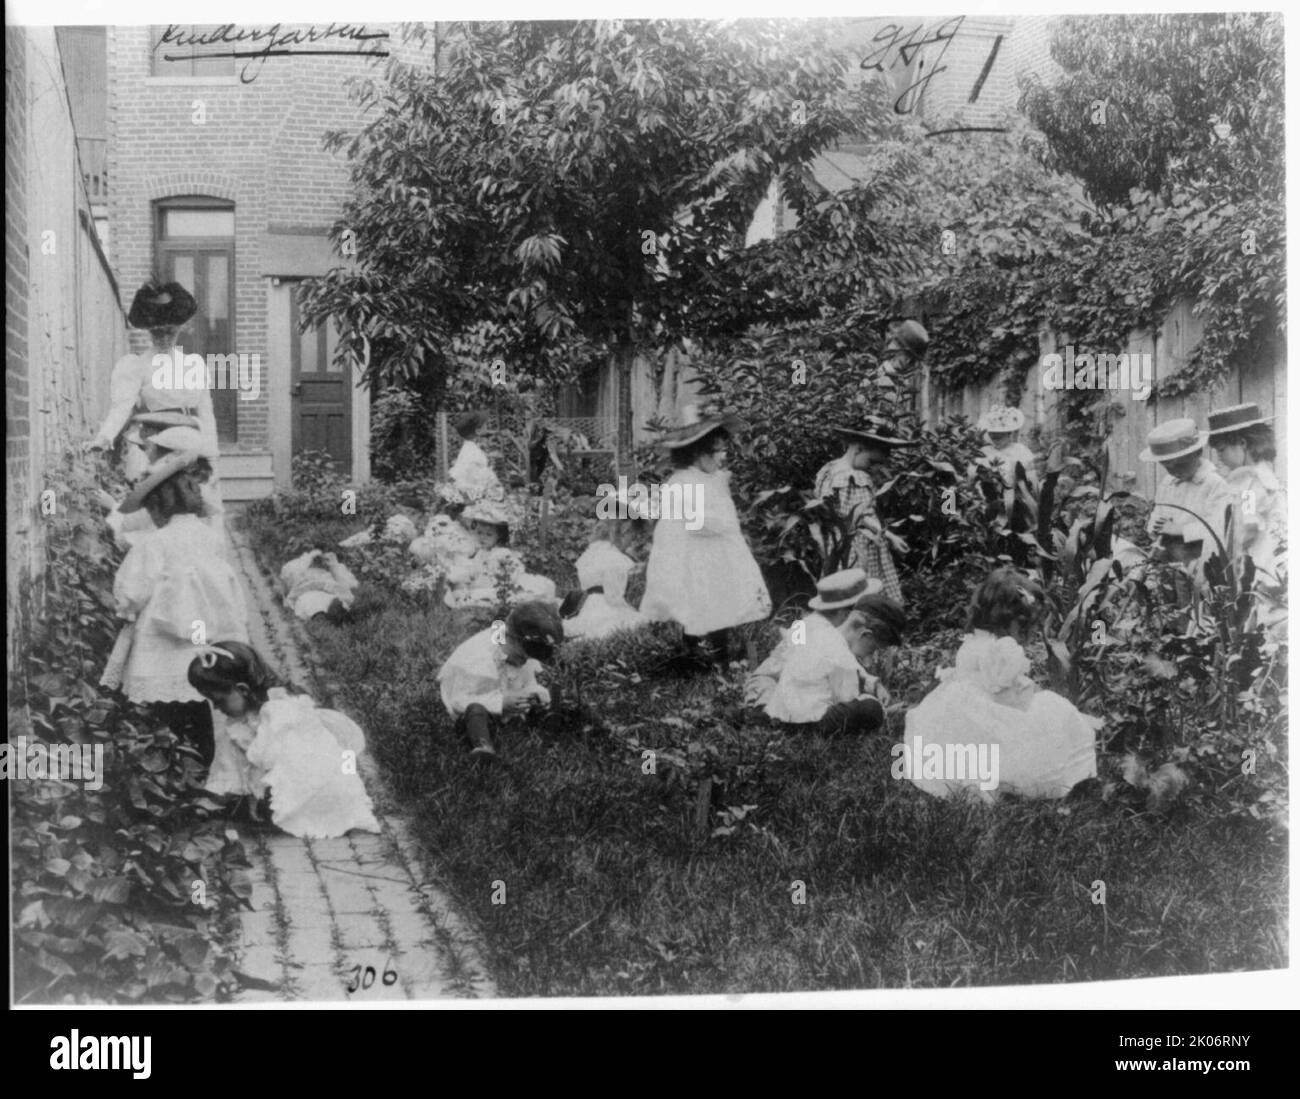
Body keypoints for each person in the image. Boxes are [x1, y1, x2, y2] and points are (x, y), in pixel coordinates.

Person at [100, 447, 248, 769]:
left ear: (158, 505)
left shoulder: (154, 544)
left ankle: (167, 763)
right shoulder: (210, 539)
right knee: (197, 699)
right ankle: (202, 761)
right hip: (201, 635)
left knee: (161, 705)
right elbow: (225, 585)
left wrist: (126, 609)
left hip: (161, 637)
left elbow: (133, 591)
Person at [901, 569, 1099, 802]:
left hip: (959, 712)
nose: (1033, 632)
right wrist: (1035, 698)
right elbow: (1009, 698)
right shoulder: (1004, 649)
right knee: (1058, 712)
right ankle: (1045, 775)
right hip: (993, 710)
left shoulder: (974, 641)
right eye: (1030, 625)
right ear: (1015, 621)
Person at [187, 642, 380, 837]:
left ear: (243, 689)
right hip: (289, 774)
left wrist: (257, 794)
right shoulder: (248, 715)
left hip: (313, 783)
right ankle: (221, 796)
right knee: (232, 739)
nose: (216, 708)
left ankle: (290, 809)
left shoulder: (280, 711)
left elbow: (265, 759)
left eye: (219, 701)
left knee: (247, 749)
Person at [640, 405, 772, 667]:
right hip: (692, 554)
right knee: (698, 601)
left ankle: (717, 651)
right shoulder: (682, 482)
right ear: (699, 453)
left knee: (719, 601)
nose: (723, 457)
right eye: (718, 452)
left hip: (716, 553)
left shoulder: (713, 478)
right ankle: (695, 653)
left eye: (724, 450)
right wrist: (724, 525)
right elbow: (695, 522)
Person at [87, 280, 219, 485]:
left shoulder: (194, 364)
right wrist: (104, 438)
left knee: (198, 500)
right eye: (158, 332)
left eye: (170, 331)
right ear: (149, 330)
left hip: (193, 442)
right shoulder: (136, 365)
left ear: (181, 328)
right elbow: (121, 407)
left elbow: (206, 413)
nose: (164, 337)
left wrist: (212, 455)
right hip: (158, 444)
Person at [762, 569, 891, 735]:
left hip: (788, 710)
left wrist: (870, 681)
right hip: (807, 715)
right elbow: (774, 669)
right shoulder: (822, 635)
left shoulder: (811, 624)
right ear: (847, 613)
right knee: (868, 709)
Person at [437, 602, 564, 759]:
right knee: (475, 711)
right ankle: (483, 747)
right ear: (510, 638)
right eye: (521, 656)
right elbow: (458, 700)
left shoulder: (514, 648)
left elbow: (526, 679)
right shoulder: (478, 657)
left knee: (547, 702)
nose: (524, 661)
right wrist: (500, 703)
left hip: (503, 696)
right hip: (471, 700)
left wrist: (534, 692)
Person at [814, 423, 915, 605]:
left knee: (841, 592)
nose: (871, 469)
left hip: (837, 544)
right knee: (865, 591)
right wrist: (890, 536)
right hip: (859, 545)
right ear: (859, 449)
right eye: (871, 462)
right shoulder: (854, 476)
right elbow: (862, 515)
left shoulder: (829, 470)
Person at [1207, 403, 1284, 586]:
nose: (1219, 457)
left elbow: (1249, 523)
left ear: (1242, 443)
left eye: (1221, 450)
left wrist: (1231, 558)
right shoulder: (1261, 474)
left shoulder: (1251, 482)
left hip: (1258, 565)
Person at [1141, 418, 1234, 569]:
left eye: (1180, 465)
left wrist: (1180, 530)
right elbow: (1159, 515)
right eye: (1168, 468)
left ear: (1196, 454)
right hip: (1169, 560)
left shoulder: (1214, 484)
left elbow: (1220, 528)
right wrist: (1156, 525)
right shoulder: (1168, 482)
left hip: (1201, 561)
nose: (1175, 472)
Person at [561, 493, 652, 641]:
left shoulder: (593, 551)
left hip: (587, 606)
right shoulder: (617, 559)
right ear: (625, 530)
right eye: (632, 536)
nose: (631, 541)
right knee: (639, 621)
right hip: (605, 609)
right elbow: (614, 597)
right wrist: (629, 609)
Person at [442, 500, 557, 609]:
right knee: (461, 588)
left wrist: (502, 579)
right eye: (480, 533)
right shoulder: (480, 552)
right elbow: (474, 568)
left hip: (502, 585)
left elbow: (513, 572)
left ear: (499, 536)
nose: (482, 537)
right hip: (486, 584)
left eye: (488, 534)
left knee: (530, 592)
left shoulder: (501, 553)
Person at [977, 405, 1039, 508]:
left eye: (1000, 434)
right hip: (986, 503)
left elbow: (1031, 480)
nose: (995, 436)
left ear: (1008, 432)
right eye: (993, 433)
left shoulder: (1021, 451)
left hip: (1016, 504)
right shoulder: (984, 452)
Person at [279, 549, 360, 621]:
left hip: (325, 589)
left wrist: (333, 566)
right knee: (311, 600)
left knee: (327, 597)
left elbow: (350, 584)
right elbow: (287, 575)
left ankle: (335, 610)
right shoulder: (299, 569)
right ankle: (324, 613)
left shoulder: (335, 569)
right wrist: (310, 558)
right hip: (307, 590)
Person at [448, 411, 504, 501]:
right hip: (474, 495)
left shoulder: (469, 447)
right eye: (484, 425)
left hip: (474, 492)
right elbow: (476, 477)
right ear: (478, 431)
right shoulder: (472, 452)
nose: (487, 426)